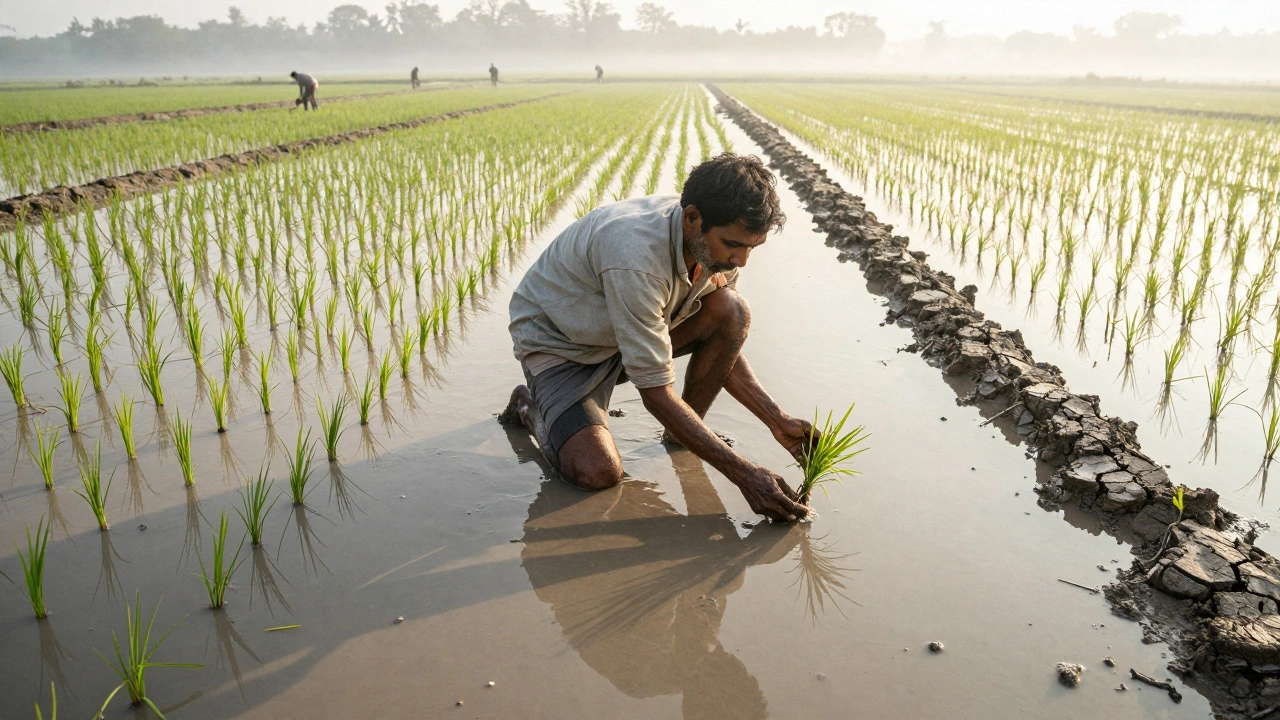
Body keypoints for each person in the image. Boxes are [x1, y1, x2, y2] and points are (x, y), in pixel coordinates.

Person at [501, 154, 814, 523]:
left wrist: (776, 419)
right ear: (693, 219)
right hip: (563, 343)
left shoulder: (714, 253)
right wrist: (744, 474)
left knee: (731, 311)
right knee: (596, 473)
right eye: (733, 244)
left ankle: (682, 434)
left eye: (751, 248)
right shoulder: (635, 254)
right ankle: (530, 408)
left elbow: (723, 345)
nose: (742, 260)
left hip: (626, 334)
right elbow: (655, 393)